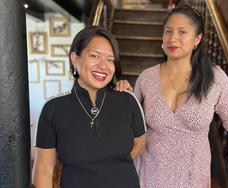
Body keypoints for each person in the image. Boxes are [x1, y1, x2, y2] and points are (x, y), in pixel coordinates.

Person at [116, 4, 228, 188]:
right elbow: (130, 123)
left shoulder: (214, 77)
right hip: (149, 177)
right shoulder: (147, 77)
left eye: (182, 32)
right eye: (168, 31)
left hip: (192, 179)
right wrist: (123, 95)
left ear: (197, 39)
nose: (173, 38)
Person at [32, 26, 146, 188]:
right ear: (74, 59)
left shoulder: (127, 100)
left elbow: (139, 144)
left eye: (110, 59)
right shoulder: (53, 108)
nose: (103, 66)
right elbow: (44, 169)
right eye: (94, 56)